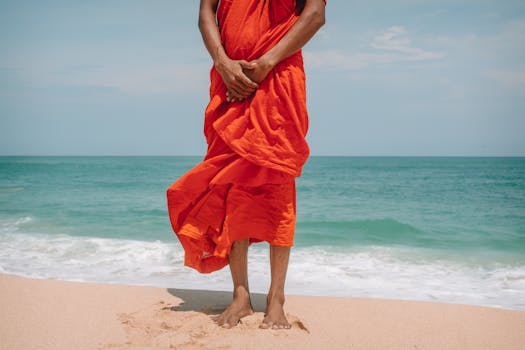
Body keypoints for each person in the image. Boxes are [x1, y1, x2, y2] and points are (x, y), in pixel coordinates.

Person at [166, 0, 326, 330]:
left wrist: (267, 61)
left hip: (278, 76)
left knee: (278, 183)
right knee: (231, 184)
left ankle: (276, 299)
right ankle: (240, 296)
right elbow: (205, 12)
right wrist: (222, 62)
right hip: (230, 80)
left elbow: (315, 14)